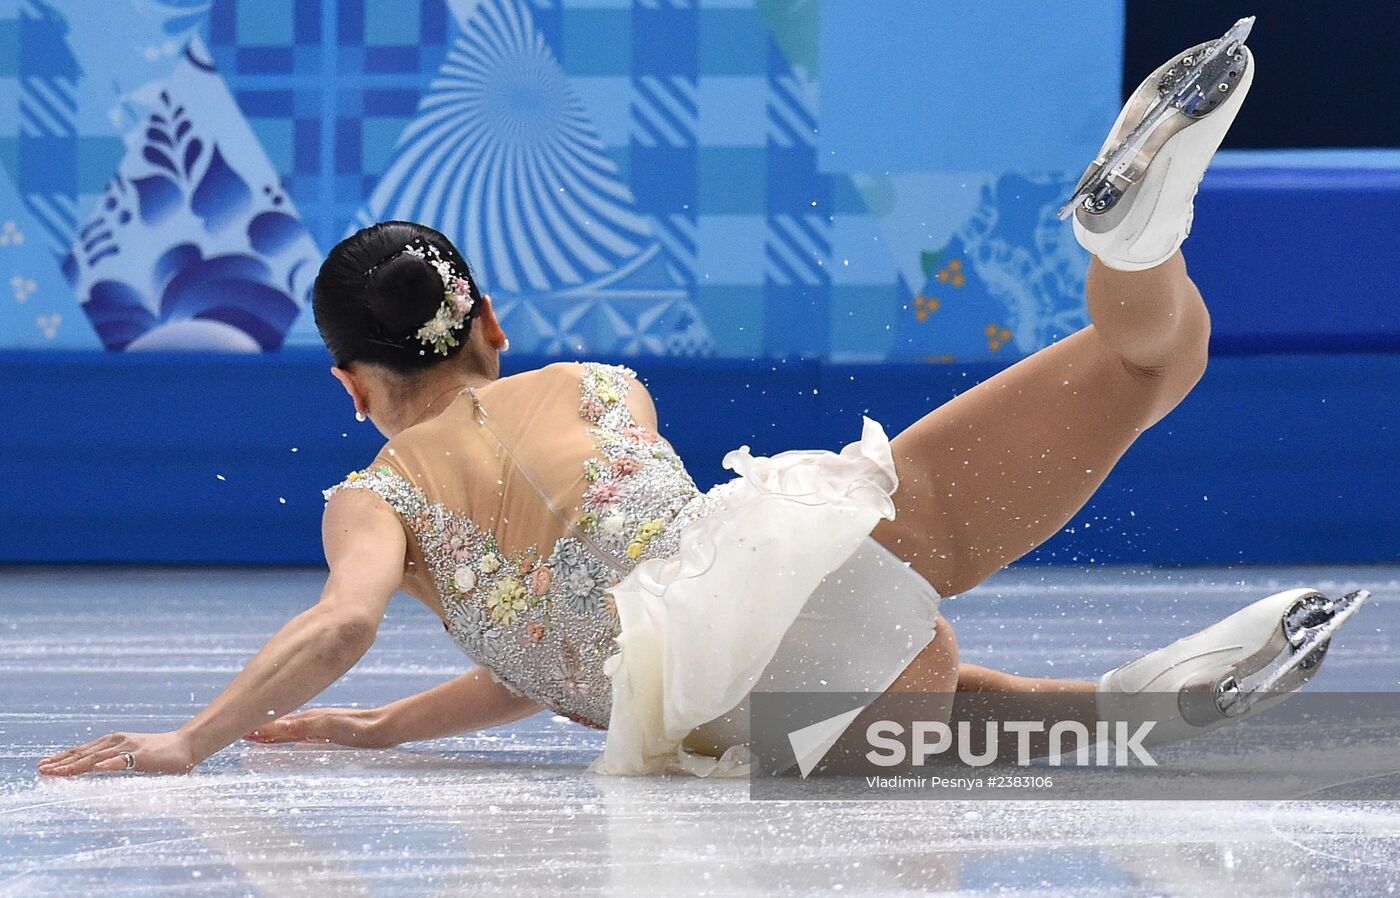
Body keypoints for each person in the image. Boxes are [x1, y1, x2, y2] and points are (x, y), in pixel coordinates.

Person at [38, 22, 1365, 779]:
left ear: (349, 382)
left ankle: (1149, 704)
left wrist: (191, 737)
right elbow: (614, 611)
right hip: (818, 551)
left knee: (921, 716)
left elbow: (366, 626)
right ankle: (1132, 245)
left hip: (766, 689)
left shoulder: (377, 495)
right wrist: (395, 722)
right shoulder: (595, 382)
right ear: (489, 322)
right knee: (1151, 362)